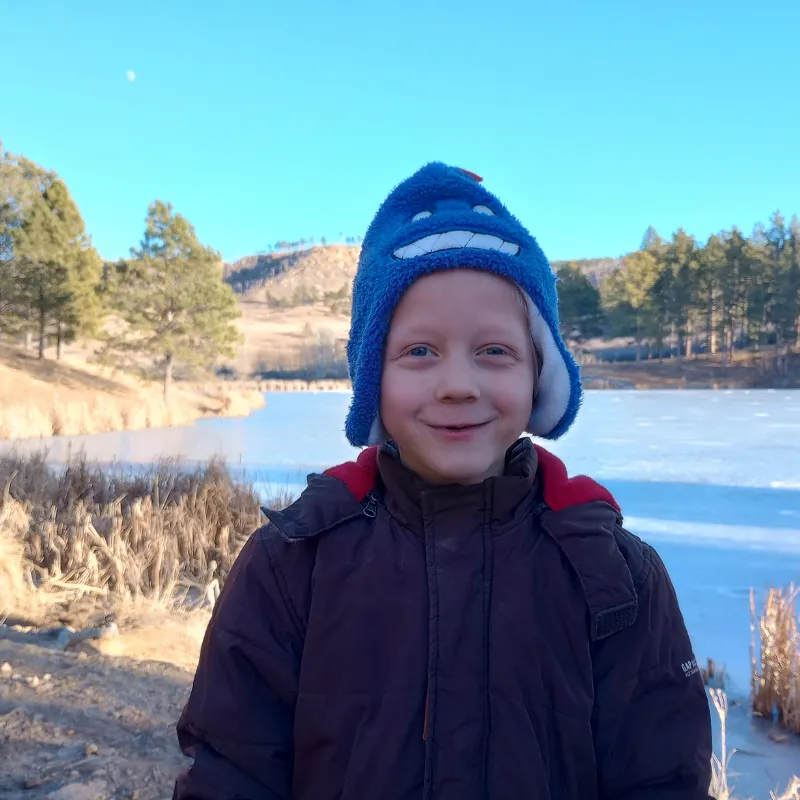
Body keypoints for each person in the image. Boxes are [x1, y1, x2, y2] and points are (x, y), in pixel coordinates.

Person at [174, 163, 712, 799]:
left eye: (494, 351)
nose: (458, 384)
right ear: (374, 374)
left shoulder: (612, 574)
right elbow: (231, 773)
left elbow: (661, 779)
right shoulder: (294, 563)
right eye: (420, 352)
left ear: (539, 373)